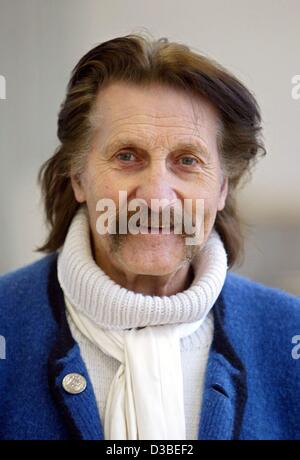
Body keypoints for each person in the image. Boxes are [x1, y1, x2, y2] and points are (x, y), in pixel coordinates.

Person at [0, 33, 299, 441]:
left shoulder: (288, 336)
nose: (156, 197)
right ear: (77, 176)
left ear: (223, 187)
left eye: (187, 161)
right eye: (127, 156)